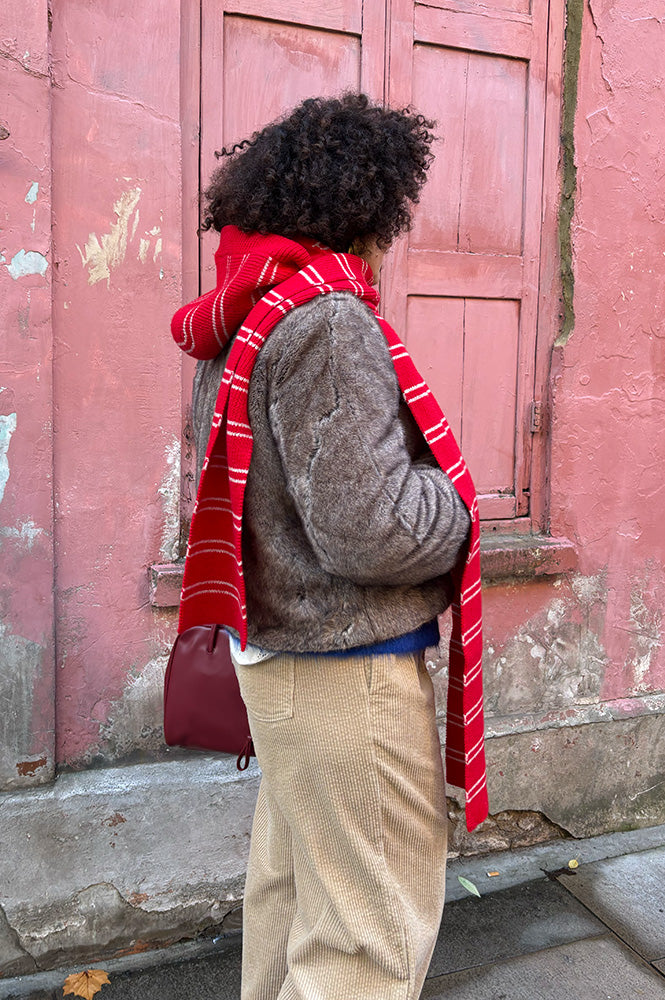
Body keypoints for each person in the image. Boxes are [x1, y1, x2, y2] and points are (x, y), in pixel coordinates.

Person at [171, 93, 487, 1000]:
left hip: (281, 660)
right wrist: (457, 501)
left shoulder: (248, 313)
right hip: (347, 672)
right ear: (368, 211)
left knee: (292, 906)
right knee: (367, 940)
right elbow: (372, 530)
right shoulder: (329, 321)